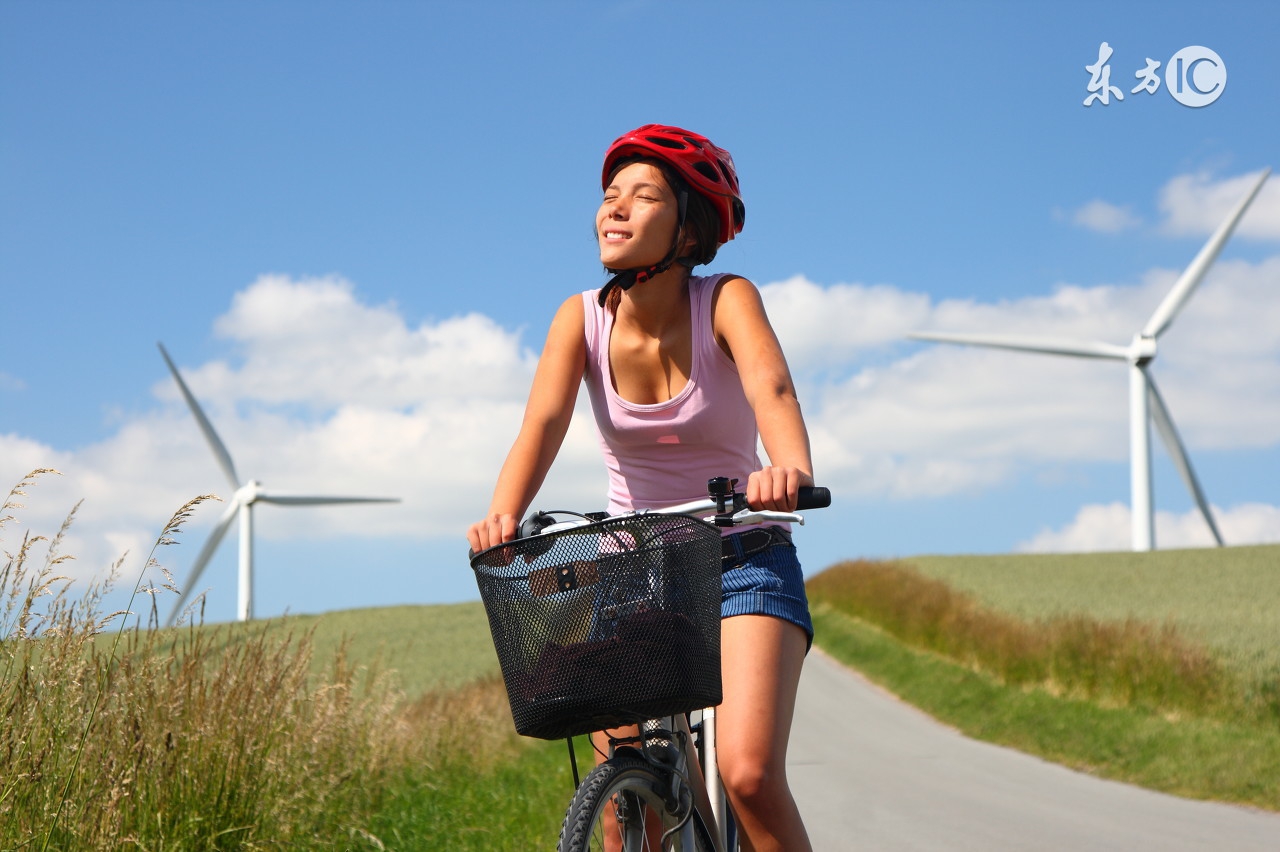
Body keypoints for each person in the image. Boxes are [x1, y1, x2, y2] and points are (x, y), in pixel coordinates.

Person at [468, 124, 815, 852]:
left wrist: (788, 470)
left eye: (643, 196)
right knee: (631, 790)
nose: (614, 210)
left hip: (744, 553)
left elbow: (772, 389)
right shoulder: (581, 319)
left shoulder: (724, 300)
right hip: (636, 568)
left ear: (688, 229)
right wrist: (502, 516)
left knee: (747, 772)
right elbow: (540, 426)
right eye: (608, 196)